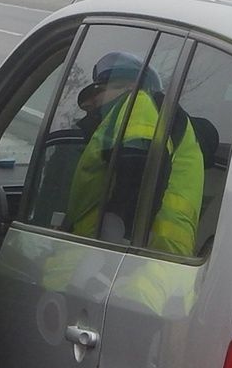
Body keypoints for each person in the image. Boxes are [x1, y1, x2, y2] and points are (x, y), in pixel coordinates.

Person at [64, 51, 204, 256]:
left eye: (100, 89)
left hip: (134, 264)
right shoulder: (144, 117)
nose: (92, 102)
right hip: (152, 260)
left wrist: (101, 259)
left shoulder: (136, 103)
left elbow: (136, 175)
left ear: (130, 87)